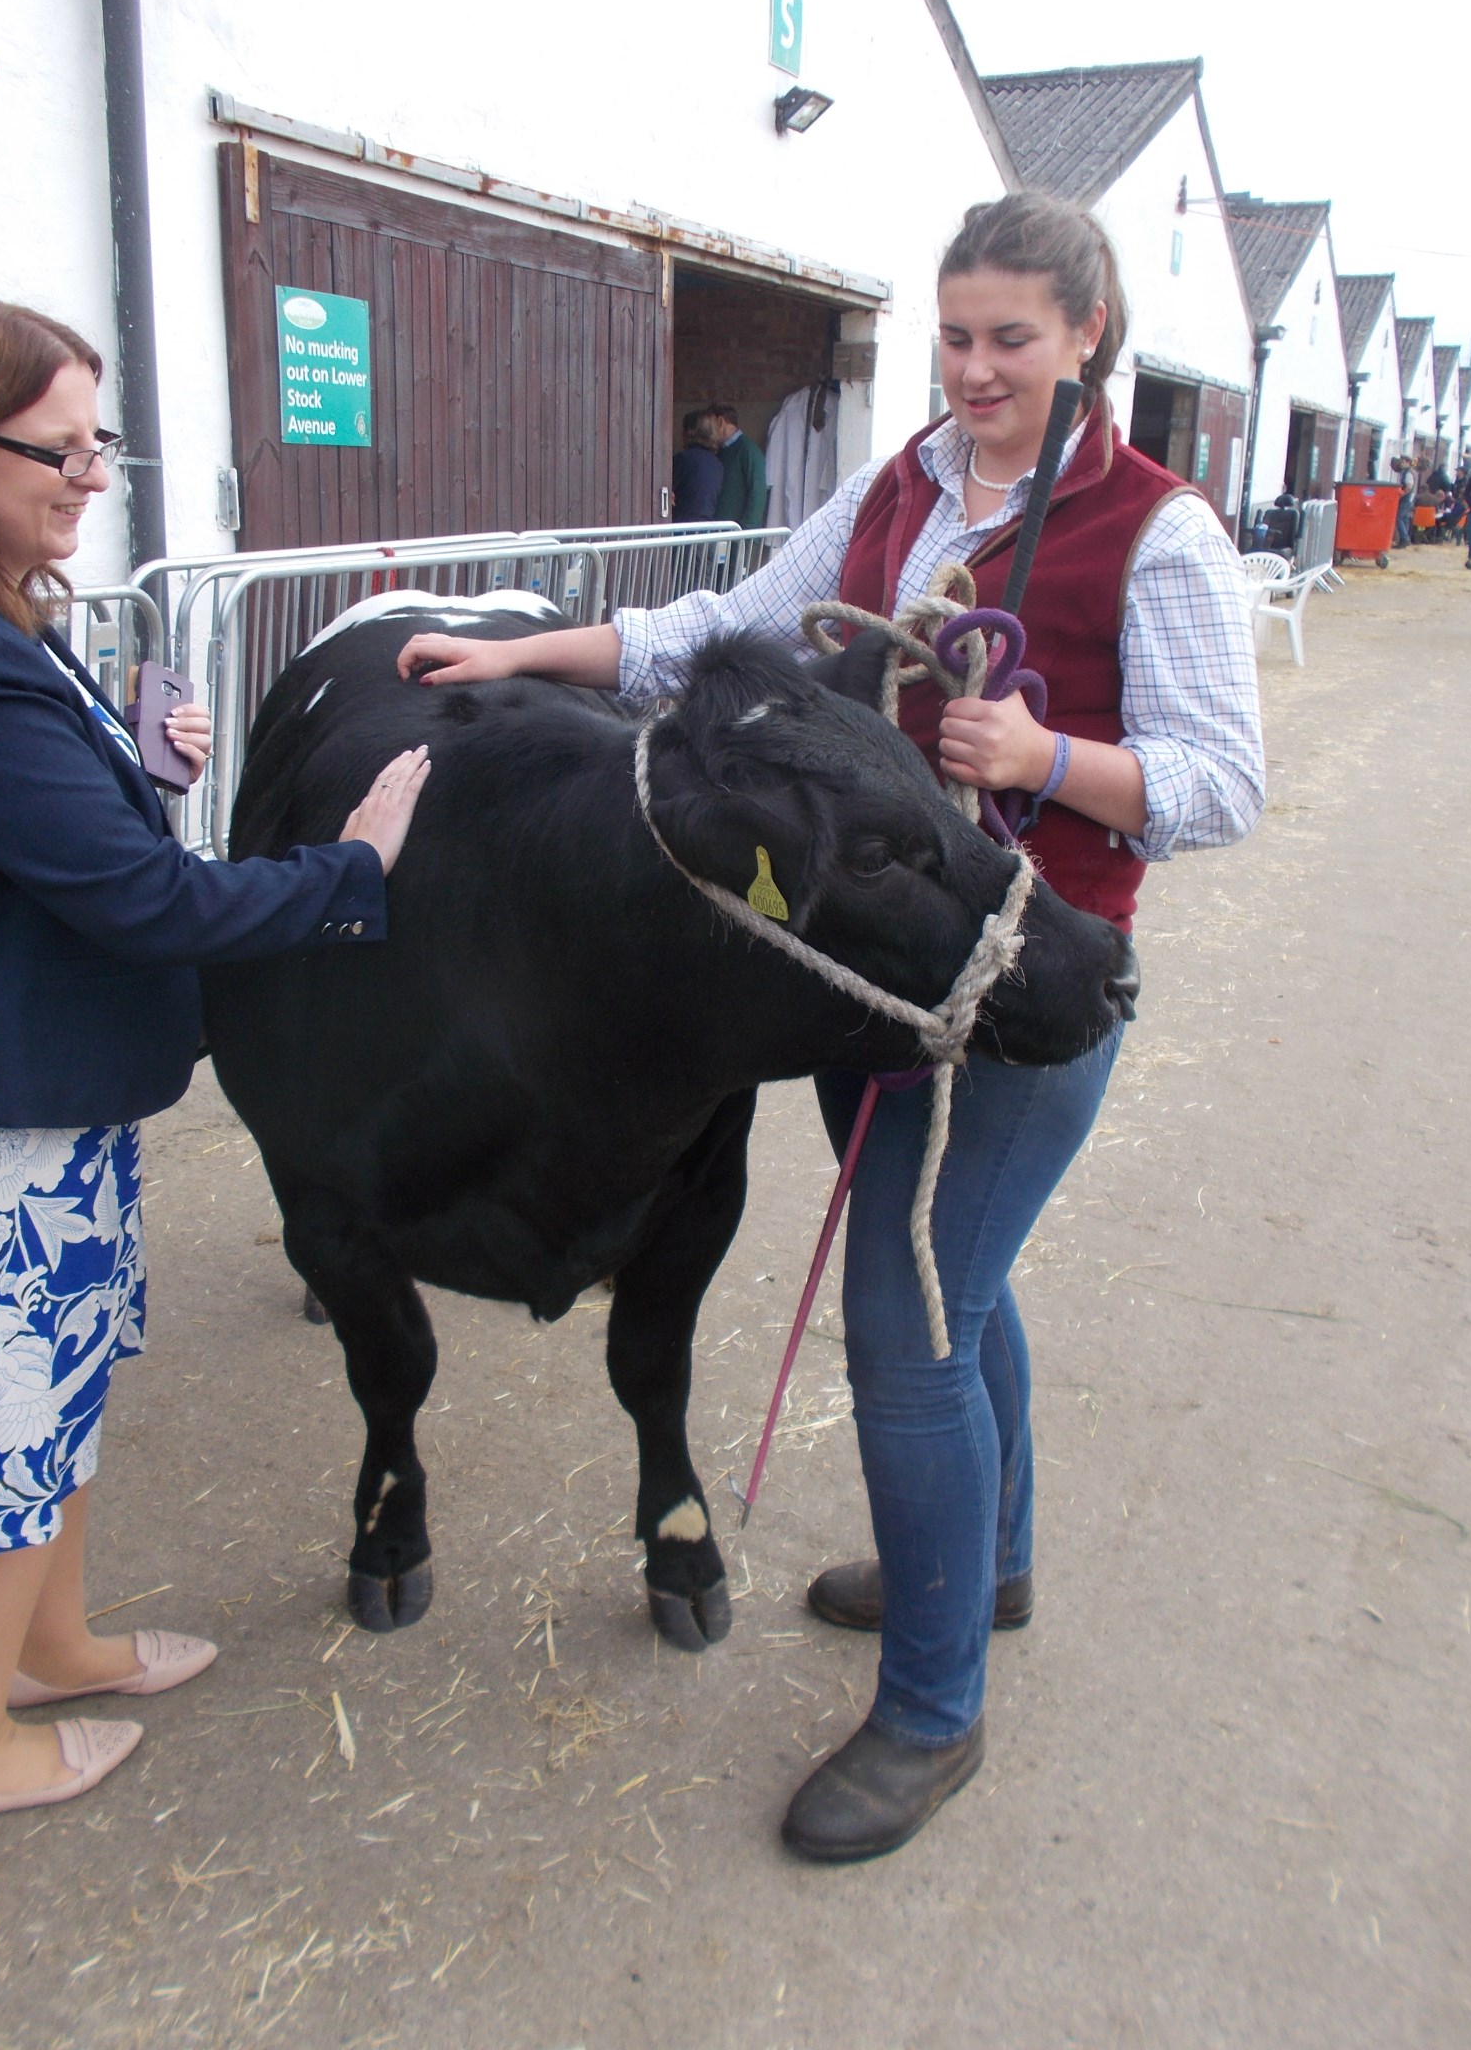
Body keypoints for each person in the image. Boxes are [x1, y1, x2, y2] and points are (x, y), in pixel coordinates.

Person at [392, 192, 1264, 1864]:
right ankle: (986, 1560)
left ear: (1087, 333)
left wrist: (1046, 761)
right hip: (872, 973)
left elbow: (1222, 781)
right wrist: (523, 649)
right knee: (961, 1283)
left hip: (1013, 991)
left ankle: (933, 1710)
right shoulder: (899, 486)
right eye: (952, 333)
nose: (973, 366)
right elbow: (713, 639)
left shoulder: (1156, 529)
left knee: (905, 1324)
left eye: (1010, 335)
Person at [0, 292, 430, 1832]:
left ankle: (54, 1650)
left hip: (10, 1095)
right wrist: (350, 866)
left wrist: (142, 761)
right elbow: (146, 903)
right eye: (58, 451)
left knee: (50, 1400)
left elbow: (32, 826)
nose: (93, 479)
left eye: (104, 445)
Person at [706, 403, 769, 530]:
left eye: (710, 426)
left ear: (720, 421)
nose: (709, 432)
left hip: (738, 534)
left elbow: (758, 491)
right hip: (722, 531)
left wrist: (746, 530)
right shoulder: (720, 451)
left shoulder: (748, 450)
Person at [671, 411, 725, 525]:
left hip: (681, 528)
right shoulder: (717, 464)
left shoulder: (684, 459)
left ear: (689, 432)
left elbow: (663, 491)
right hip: (705, 528)